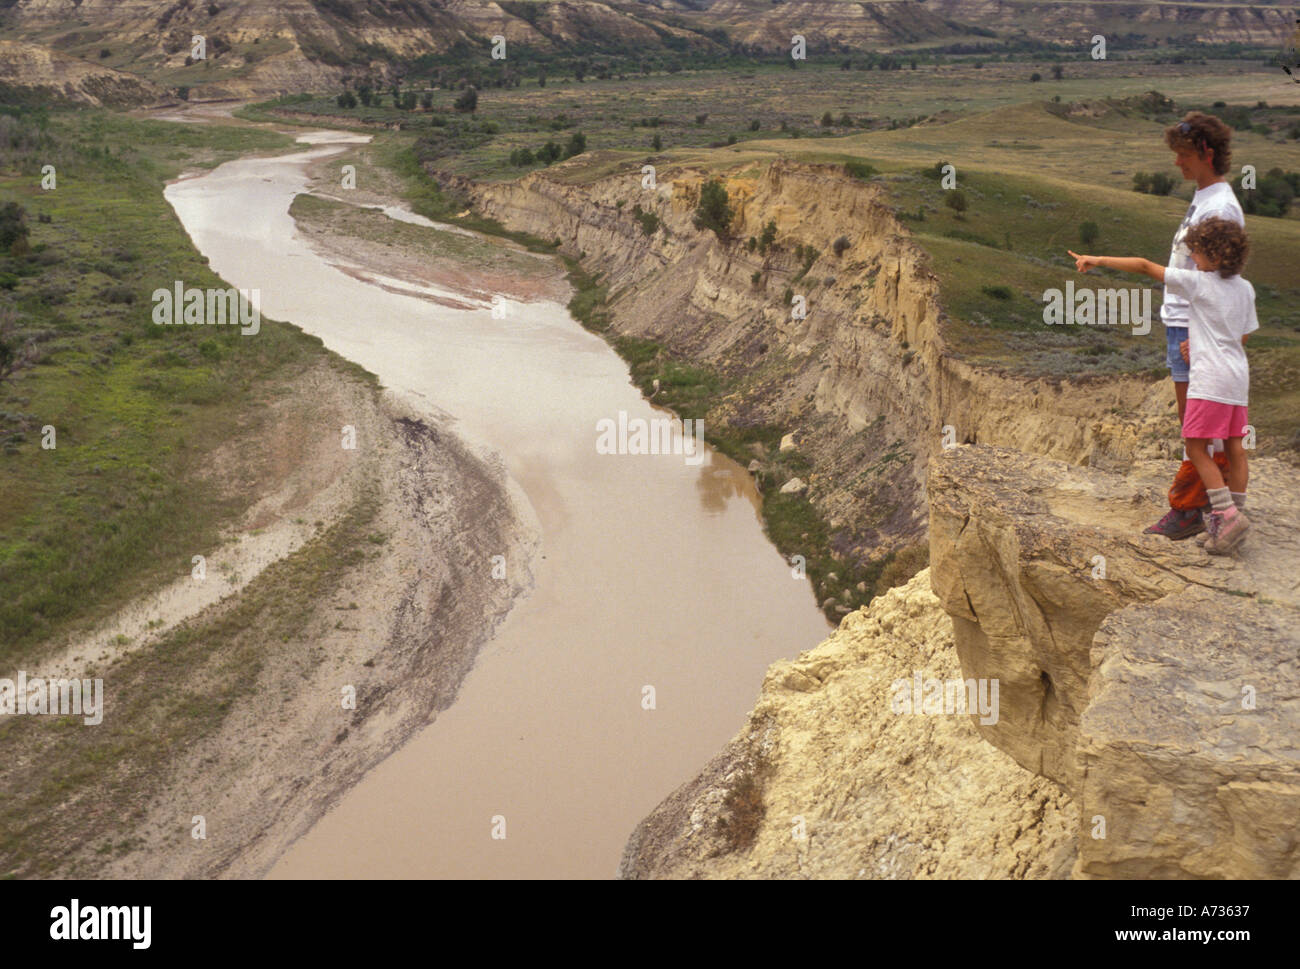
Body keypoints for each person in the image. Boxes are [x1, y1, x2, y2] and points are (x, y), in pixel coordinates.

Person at [1069, 215, 1255, 555]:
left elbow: (1143, 266)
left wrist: (1097, 259)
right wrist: (1202, 342)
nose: (1192, 259)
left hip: (1209, 381)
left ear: (1212, 256)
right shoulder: (1245, 288)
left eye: (1196, 253)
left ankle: (1224, 517)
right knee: (1234, 448)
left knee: (1197, 447)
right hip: (1237, 379)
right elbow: (1240, 336)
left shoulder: (1198, 282)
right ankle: (1235, 517)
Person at [1145, 112, 1246, 539]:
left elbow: (1223, 280)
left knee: (1198, 430)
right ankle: (1213, 508)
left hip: (1192, 329)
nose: (1177, 163)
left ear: (1205, 152)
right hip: (1186, 325)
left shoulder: (1220, 207)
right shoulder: (1207, 198)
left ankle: (1192, 510)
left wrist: (1204, 338)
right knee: (1201, 429)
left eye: (1183, 155)